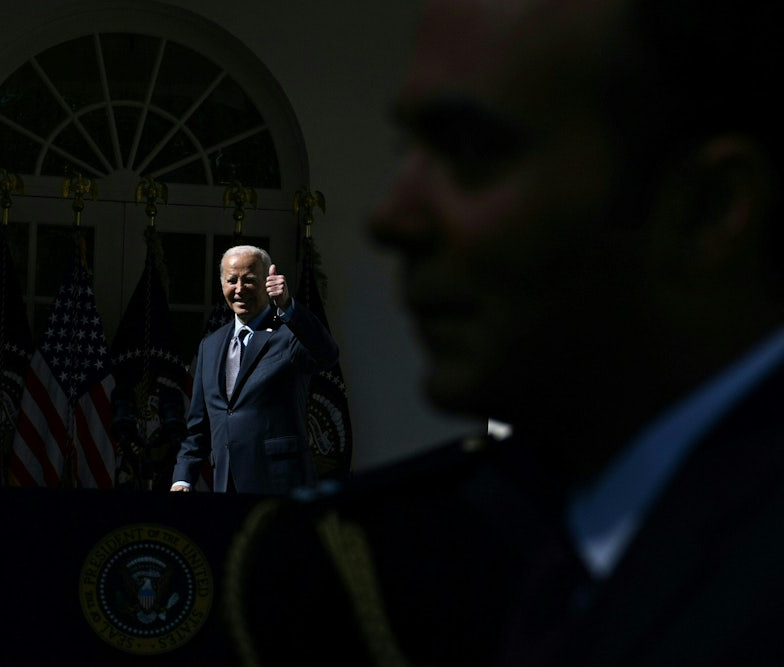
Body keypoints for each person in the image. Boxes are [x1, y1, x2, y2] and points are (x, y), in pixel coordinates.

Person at [224, 0, 784, 665]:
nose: (392, 218)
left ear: (708, 209)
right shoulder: (398, 555)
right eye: (412, 149)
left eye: (470, 151)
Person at [169, 245, 339, 494]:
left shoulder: (290, 334)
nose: (239, 289)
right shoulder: (211, 345)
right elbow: (199, 427)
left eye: (249, 281)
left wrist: (289, 307)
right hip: (226, 484)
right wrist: (182, 478)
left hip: (280, 486)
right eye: (231, 280)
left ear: (267, 283)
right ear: (222, 284)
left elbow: (327, 355)